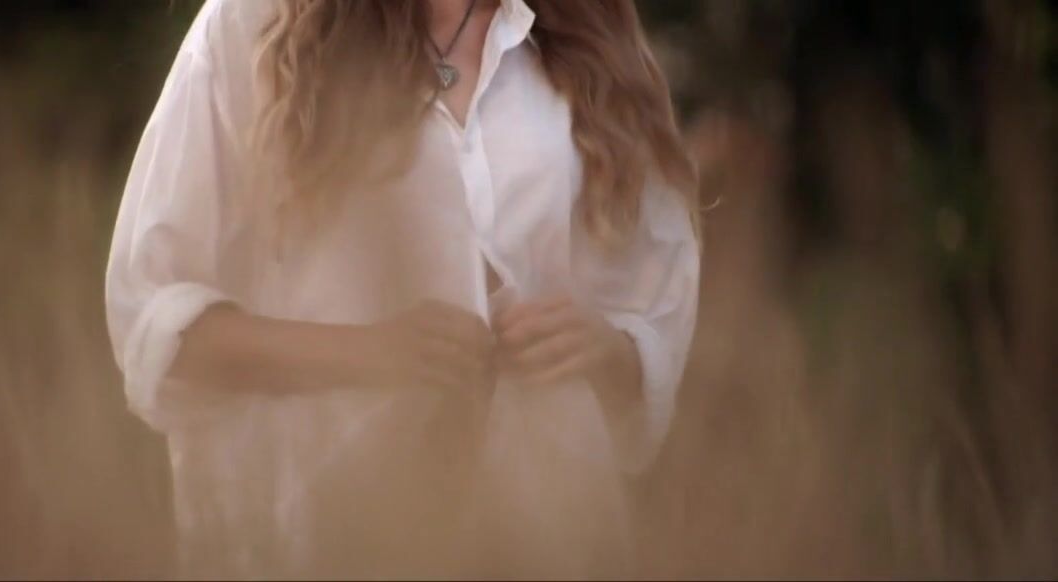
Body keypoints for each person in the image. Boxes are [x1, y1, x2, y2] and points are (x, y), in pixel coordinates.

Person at [105, 0, 700, 577]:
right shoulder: (251, 22)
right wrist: (371, 353)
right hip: (326, 532)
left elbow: (655, 319)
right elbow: (153, 321)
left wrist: (605, 348)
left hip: (547, 530)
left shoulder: (594, 31)